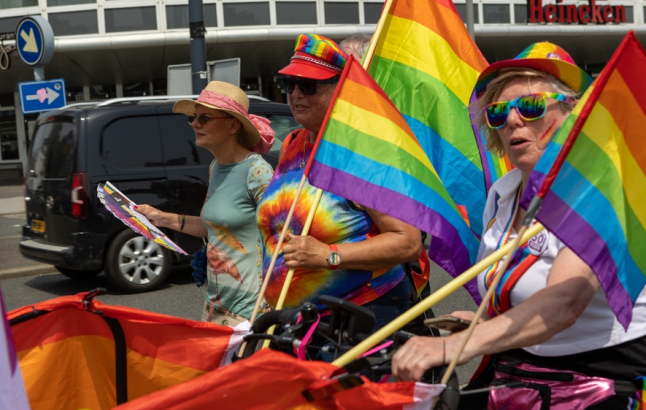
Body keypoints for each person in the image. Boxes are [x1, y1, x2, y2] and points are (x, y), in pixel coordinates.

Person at [392, 43, 646, 408]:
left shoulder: (604, 188)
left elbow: (564, 301)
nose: (512, 120)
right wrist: (483, 326)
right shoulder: (503, 191)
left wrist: (456, 345)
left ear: (573, 113)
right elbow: (523, 286)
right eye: (497, 113)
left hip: (599, 383)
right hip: (518, 377)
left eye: (530, 106)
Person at [256, 34, 422, 334]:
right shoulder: (293, 143)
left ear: (342, 90)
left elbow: (408, 241)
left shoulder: (364, 151)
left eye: (307, 85)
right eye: (288, 84)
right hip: (296, 319)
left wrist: (328, 255)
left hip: (359, 314)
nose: (295, 94)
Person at [136, 81, 275, 326]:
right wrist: (160, 217)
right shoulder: (216, 167)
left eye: (205, 117)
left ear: (233, 125)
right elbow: (206, 227)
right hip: (215, 304)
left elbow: (281, 238)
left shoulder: (257, 171)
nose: (195, 124)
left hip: (250, 310)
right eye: (193, 118)